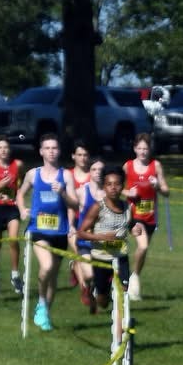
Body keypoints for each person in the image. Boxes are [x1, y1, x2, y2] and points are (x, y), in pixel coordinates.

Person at [16, 133, 78, 331]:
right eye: (47, 148)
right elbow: (20, 193)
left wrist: (62, 192)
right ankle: (42, 303)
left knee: (52, 278)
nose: (51, 152)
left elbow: (75, 204)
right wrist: (22, 209)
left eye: (54, 148)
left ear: (59, 151)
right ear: (41, 151)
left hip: (59, 232)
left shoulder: (66, 176)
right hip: (38, 230)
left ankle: (44, 313)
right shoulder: (33, 174)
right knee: (47, 266)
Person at [76, 165, 132, 339]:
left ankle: (119, 334)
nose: (113, 188)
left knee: (123, 291)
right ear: (104, 187)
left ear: (122, 186)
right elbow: (81, 232)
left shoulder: (127, 206)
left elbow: (131, 225)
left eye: (117, 184)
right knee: (103, 301)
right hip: (101, 258)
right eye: (109, 184)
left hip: (121, 256)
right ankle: (96, 292)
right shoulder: (97, 208)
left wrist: (136, 228)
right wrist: (101, 237)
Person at [123, 132, 170, 299]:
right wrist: (128, 192)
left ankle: (133, 277)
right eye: (140, 148)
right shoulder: (128, 166)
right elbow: (114, 187)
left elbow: (166, 192)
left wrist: (157, 186)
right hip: (133, 216)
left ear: (150, 149)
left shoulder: (155, 166)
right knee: (142, 246)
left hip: (150, 217)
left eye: (146, 148)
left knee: (143, 250)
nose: (143, 151)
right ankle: (133, 280)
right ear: (134, 149)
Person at [73, 155, 105, 309]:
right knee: (90, 274)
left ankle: (94, 290)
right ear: (89, 172)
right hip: (84, 241)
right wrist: (71, 226)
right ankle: (86, 285)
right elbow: (70, 208)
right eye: (94, 169)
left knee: (101, 276)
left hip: (102, 242)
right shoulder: (81, 192)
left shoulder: (109, 194)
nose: (98, 172)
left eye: (101, 170)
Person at [0, 135, 24, 295]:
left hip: (11, 207)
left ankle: (15, 275)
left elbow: (21, 184)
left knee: (13, 238)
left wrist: (17, 197)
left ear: (10, 149)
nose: (3, 150)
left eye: (5, 147)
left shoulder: (17, 164)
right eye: (0, 147)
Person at [67, 140, 92, 291]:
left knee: (87, 255)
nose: (82, 158)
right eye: (79, 155)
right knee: (78, 250)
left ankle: (74, 266)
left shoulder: (93, 175)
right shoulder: (67, 175)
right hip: (71, 220)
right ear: (73, 156)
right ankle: (85, 289)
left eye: (85, 155)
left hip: (88, 222)